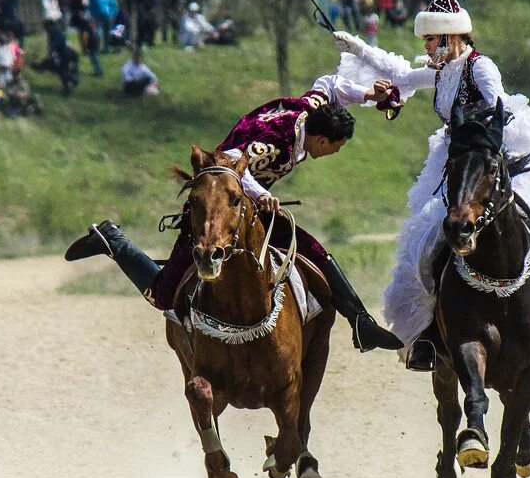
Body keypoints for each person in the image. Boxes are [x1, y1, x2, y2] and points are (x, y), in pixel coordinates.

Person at [333, 0, 530, 372]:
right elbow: (400, 75)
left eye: (430, 41)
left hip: (497, 157)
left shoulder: (479, 66)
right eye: (426, 42)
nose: (426, 49)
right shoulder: (442, 71)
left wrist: (475, 137)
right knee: (426, 240)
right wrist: (358, 47)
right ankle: (429, 334)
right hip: (458, 163)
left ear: (449, 37)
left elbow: (497, 104)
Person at [64, 73, 403, 354]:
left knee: (314, 251)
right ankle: (112, 240)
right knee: (163, 295)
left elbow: (327, 85)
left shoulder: (310, 110)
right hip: (219, 207)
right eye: (337, 147)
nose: (334, 153)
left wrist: (366, 94)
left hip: (249, 209)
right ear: (323, 140)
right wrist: (262, 194)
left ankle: (361, 322)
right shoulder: (276, 145)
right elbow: (228, 158)